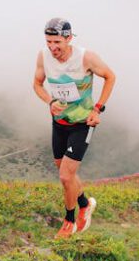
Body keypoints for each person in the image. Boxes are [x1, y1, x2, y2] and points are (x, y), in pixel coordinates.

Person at [33, 18, 116, 238]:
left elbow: (110, 76)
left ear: (69, 38)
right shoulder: (43, 56)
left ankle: (70, 222)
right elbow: (37, 84)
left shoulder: (86, 57)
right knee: (65, 173)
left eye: (57, 42)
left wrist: (97, 109)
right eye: (48, 41)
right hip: (59, 123)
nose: (52, 47)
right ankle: (85, 205)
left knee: (65, 176)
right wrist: (50, 101)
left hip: (82, 124)